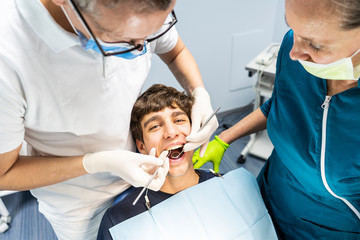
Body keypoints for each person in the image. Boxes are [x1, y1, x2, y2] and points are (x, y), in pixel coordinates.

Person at [0, 0, 218, 239]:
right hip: (80, 206)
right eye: (122, 39)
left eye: (148, 36)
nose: (140, 48)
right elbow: (4, 174)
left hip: (145, 179)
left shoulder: (141, 13)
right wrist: (97, 162)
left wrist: (198, 91)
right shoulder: (8, 57)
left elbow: (175, 52)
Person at [192, 0, 360, 239]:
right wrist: (224, 139)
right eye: (291, 27)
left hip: (328, 230)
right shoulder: (293, 48)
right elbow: (282, 104)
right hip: (268, 197)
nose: (294, 53)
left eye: (315, 44)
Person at [97, 84, 277, 240]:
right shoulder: (119, 221)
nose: (171, 132)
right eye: (155, 126)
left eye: (179, 120)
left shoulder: (237, 189)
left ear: (198, 130)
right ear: (141, 147)